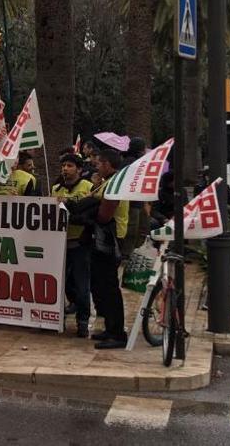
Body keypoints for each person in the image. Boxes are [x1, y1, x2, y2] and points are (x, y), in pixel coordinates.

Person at [89, 149, 129, 349]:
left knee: (109, 287)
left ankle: (117, 333)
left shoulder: (114, 184)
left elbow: (104, 215)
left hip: (109, 239)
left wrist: (89, 210)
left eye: (98, 163)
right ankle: (110, 328)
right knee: (102, 285)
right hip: (104, 239)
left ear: (107, 164)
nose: (96, 166)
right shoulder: (109, 182)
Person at [51, 154, 93, 337]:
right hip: (59, 246)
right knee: (62, 284)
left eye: (69, 165)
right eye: (63, 166)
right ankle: (61, 315)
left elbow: (90, 214)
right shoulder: (55, 189)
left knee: (82, 285)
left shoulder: (88, 187)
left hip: (80, 244)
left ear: (79, 169)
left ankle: (82, 321)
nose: (65, 169)